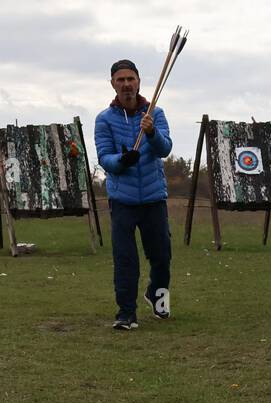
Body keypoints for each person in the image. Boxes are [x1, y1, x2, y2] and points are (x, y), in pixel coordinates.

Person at [94, 58, 174, 331]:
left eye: (131, 79)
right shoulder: (104, 120)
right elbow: (105, 158)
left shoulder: (156, 114)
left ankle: (158, 297)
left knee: (162, 256)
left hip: (154, 198)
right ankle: (126, 313)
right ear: (113, 84)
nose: (126, 84)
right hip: (123, 200)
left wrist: (151, 133)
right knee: (126, 260)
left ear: (138, 82)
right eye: (121, 80)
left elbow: (165, 149)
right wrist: (123, 161)